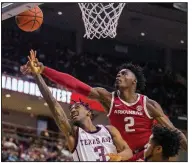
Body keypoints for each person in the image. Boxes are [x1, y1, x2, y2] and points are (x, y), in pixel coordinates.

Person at [21, 50, 187, 160]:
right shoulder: (108, 98)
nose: (118, 75)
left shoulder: (149, 104)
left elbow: (174, 131)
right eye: (117, 74)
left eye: (124, 74)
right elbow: (76, 85)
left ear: (134, 80)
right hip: (124, 156)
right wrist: (44, 70)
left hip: (147, 154)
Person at [26, 54, 133, 161]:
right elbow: (52, 103)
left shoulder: (109, 130)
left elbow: (128, 151)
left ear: (89, 113)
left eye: (77, 107)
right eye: (71, 109)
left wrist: (119, 156)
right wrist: (37, 75)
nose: (73, 110)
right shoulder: (74, 133)